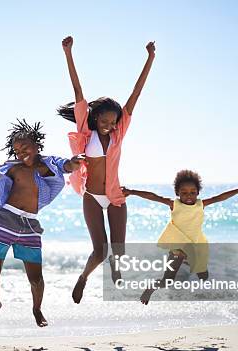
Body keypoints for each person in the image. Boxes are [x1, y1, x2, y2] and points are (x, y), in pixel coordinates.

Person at [57, 36, 156, 303]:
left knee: (119, 251)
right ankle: (83, 278)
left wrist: (150, 59)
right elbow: (78, 92)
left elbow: (135, 94)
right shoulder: (85, 134)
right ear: (96, 118)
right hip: (91, 195)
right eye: (105, 120)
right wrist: (68, 53)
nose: (109, 125)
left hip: (114, 196)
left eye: (113, 122)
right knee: (99, 252)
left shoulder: (118, 134)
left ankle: (116, 266)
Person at [0, 120, 83, 327]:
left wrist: (76, 161)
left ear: (37, 145)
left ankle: (37, 309)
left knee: (36, 277)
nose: (21, 153)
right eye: (17, 150)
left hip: (30, 225)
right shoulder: (14, 170)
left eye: (25, 147)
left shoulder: (50, 165)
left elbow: (67, 165)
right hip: (5, 220)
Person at [122, 170, 238, 303]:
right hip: (178, 247)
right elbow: (153, 197)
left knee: (204, 276)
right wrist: (131, 192)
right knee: (167, 280)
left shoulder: (201, 205)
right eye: (184, 193)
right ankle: (150, 289)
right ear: (178, 193)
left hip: (196, 245)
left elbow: (221, 197)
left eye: (193, 193)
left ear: (198, 193)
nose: (189, 196)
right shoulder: (174, 205)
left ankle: (203, 290)